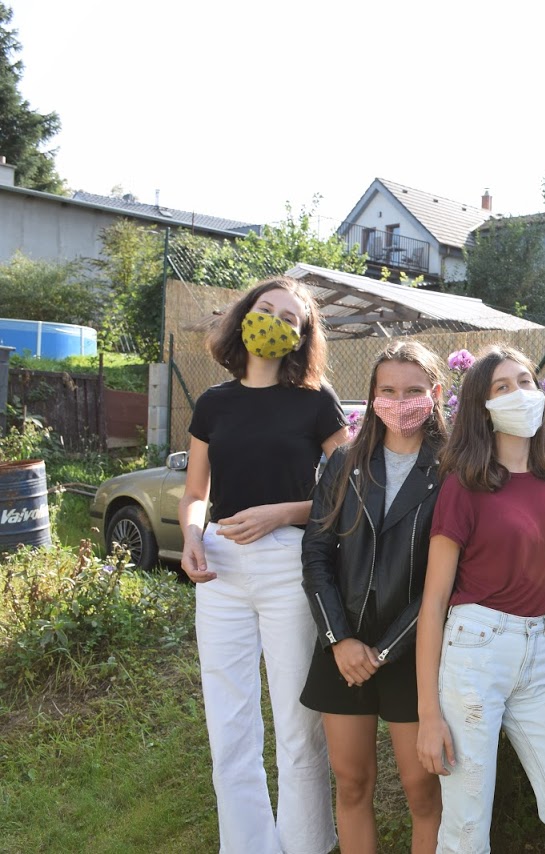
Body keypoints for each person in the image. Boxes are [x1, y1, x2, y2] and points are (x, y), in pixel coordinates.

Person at [415, 345, 545, 854]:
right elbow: (434, 604)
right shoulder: (463, 487)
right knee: (466, 830)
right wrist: (429, 714)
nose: (519, 393)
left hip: (544, 660)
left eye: (525, 382)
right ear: (483, 408)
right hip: (474, 653)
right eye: (502, 387)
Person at [178, 276, 347, 854]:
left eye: (289, 317)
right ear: (245, 314)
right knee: (229, 724)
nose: (273, 320)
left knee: (298, 724)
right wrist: (193, 534)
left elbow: (350, 487)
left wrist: (284, 513)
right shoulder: (213, 403)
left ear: (302, 336)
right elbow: (195, 492)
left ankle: (306, 845)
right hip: (220, 567)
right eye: (265, 308)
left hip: (287, 567)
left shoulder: (317, 401)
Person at [300, 341, 447, 853]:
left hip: (415, 651)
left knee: (422, 791)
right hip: (344, 647)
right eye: (388, 390)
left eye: (413, 390)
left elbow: (448, 582)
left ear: (435, 393)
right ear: (372, 395)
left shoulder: (452, 471)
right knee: (352, 783)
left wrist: (385, 651)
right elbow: (316, 553)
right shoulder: (344, 463)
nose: (400, 402)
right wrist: (339, 639)